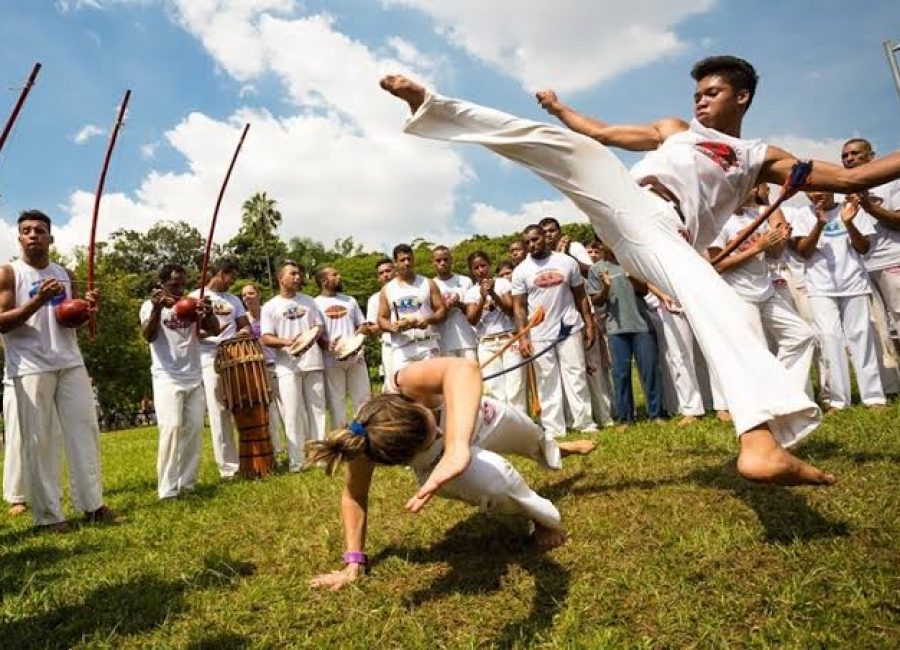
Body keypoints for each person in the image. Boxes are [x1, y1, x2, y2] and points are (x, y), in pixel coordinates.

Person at [379, 53, 900, 485]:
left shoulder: (758, 156)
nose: (700, 101)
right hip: (625, 200)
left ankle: (759, 444)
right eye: (697, 93)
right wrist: (560, 108)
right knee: (569, 146)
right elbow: (603, 132)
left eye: (712, 92)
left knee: (722, 307)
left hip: (664, 236)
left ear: (742, 97)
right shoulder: (675, 130)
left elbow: (855, 178)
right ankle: (432, 106)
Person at [307, 358, 596, 591]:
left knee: (534, 439)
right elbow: (355, 496)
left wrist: (457, 445)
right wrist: (354, 562)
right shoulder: (367, 445)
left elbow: (463, 368)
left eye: (429, 423)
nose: (437, 433)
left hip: (482, 420)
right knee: (496, 485)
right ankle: (541, 519)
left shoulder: (404, 381)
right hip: (441, 469)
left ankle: (557, 449)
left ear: (411, 403)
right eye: (428, 440)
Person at [0, 209, 115, 530]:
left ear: (50, 237)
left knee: (85, 431)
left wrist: (85, 309)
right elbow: (2, 322)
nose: (33, 235)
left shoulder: (65, 273)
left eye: (39, 230)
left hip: (70, 361)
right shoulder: (9, 273)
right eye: (27, 231)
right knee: (40, 441)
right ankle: (49, 517)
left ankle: (92, 505)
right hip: (30, 365)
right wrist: (37, 301)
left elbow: (69, 320)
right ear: (19, 238)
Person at [707, 184, 816, 399]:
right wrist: (757, 247)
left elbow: (774, 254)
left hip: (766, 290)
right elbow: (717, 264)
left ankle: (785, 395)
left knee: (802, 335)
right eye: (750, 185)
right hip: (739, 295)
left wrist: (778, 240)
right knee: (757, 352)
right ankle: (764, 404)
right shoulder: (717, 220)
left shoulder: (755, 216)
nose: (755, 189)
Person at [787, 192, 886, 411]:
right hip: (820, 288)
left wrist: (848, 223)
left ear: (831, 188)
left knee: (861, 337)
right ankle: (838, 400)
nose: (815, 194)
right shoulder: (803, 214)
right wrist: (819, 225)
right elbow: (803, 252)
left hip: (854, 284)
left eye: (820, 188)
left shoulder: (851, 209)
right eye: (810, 190)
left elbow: (864, 248)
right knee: (829, 339)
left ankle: (873, 397)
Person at [140, 263, 218, 499]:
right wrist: (157, 309)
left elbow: (214, 330)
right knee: (171, 428)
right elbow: (148, 336)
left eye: (183, 284)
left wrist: (208, 313)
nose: (179, 289)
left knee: (193, 431)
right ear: (162, 284)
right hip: (167, 377)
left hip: (193, 375)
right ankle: (167, 489)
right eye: (174, 285)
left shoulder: (191, 303)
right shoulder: (149, 306)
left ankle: (187, 483)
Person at [511, 224, 596, 437]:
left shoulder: (566, 262)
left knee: (576, 375)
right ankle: (554, 428)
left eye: (535, 239)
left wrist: (589, 324)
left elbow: (581, 295)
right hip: (539, 333)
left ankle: (584, 423)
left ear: (544, 238)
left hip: (569, 327)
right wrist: (523, 338)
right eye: (528, 242)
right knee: (546, 380)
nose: (532, 244)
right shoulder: (521, 271)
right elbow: (519, 307)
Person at [841, 138, 900, 394]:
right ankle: (891, 388)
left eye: (855, 153)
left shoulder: (891, 182)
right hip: (863, 268)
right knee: (877, 329)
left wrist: (868, 206)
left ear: (871, 156)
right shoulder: (845, 193)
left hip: (893, 261)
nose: (849, 159)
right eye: (845, 156)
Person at [261, 261, 327, 471]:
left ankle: (320, 456)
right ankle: (296, 461)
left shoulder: (309, 301)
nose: (298, 277)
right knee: (292, 413)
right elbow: (265, 337)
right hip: (286, 366)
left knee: (317, 410)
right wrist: (287, 342)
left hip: (313, 362)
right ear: (281, 278)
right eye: (293, 274)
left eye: (299, 274)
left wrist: (310, 336)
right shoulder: (270, 306)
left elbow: (319, 326)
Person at [589, 242, 664, 425]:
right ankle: (625, 418)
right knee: (620, 374)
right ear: (600, 244)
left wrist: (633, 278)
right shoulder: (596, 269)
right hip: (616, 328)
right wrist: (605, 287)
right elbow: (596, 301)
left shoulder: (632, 262)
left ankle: (656, 414)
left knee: (649, 370)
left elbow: (644, 291)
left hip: (641, 325)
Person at [190, 258, 249, 480]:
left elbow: (244, 325)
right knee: (219, 410)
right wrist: (208, 332)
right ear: (222, 273)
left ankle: (249, 458)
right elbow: (188, 332)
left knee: (240, 406)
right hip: (208, 355)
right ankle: (228, 467)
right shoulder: (195, 297)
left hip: (234, 354)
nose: (233, 281)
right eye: (232, 276)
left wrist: (244, 331)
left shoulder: (234, 300)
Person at [463, 250, 525, 411]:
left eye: (483, 265)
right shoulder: (471, 292)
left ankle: (520, 421)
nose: (481, 270)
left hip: (508, 338)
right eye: (476, 268)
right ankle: (504, 421)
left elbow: (510, 310)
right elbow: (472, 319)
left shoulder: (503, 283)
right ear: (471, 270)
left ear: (489, 265)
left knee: (515, 384)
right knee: (494, 387)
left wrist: (493, 294)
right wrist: (483, 297)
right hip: (487, 342)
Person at [314, 266, 371, 428]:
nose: (339, 277)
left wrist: (359, 336)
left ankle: (362, 435)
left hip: (356, 357)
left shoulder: (350, 301)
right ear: (324, 281)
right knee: (336, 403)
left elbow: (362, 324)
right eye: (335, 275)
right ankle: (341, 438)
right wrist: (327, 345)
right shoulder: (315, 304)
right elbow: (315, 334)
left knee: (363, 400)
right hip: (331, 360)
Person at [378, 244, 447, 373]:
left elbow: (442, 311)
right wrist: (393, 327)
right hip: (401, 347)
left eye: (409, 259)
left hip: (427, 344)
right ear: (395, 263)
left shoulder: (428, 283)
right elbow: (381, 318)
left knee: (430, 383)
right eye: (402, 260)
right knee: (402, 384)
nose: (407, 263)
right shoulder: (387, 289)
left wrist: (427, 320)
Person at [241, 282, 285, 457]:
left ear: (259, 295)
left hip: (278, 364)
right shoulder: (243, 320)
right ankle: (276, 450)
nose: (247, 297)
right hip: (258, 369)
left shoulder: (270, 313)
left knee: (288, 409)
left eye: (251, 293)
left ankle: (297, 448)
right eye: (244, 295)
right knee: (269, 412)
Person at [431, 245, 477, 360]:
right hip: (444, 344)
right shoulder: (430, 284)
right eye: (438, 260)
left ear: (451, 260)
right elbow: (432, 315)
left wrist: (458, 304)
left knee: (470, 371)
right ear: (433, 262)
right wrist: (446, 307)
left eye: (445, 259)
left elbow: (472, 312)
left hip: (467, 341)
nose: (442, 263)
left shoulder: (466, 281)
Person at [361, 257, 395, 384]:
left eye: (388, 271)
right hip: (389, 346)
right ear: (378, 278)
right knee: (392, 385)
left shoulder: (410, 291)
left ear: (396, 271)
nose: (385, 275)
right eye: (381, 273)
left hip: (413, 343)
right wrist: (392, 326)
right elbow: (372, 329)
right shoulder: (374, 299)